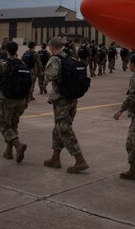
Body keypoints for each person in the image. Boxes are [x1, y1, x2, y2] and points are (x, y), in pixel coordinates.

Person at [43, 37, 89, 173]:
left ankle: (80, 160)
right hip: (72, 99)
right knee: (58, 129)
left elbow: (50, 76)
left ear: (51, 47)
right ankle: (55, 158)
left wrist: (45, 75)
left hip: (62, 99)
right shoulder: (70, 58)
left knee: (64, 129)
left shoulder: (55, 59)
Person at [0, 41, 29, 163]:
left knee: (3, 124)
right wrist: (26, 99)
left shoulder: (2, 64)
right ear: (16, 50)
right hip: (21, 99)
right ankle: (8, 151)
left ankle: (18, 145)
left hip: (6, 98)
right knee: (13, 124)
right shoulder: (23, 64)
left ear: (6, 50)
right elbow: (28, 83)